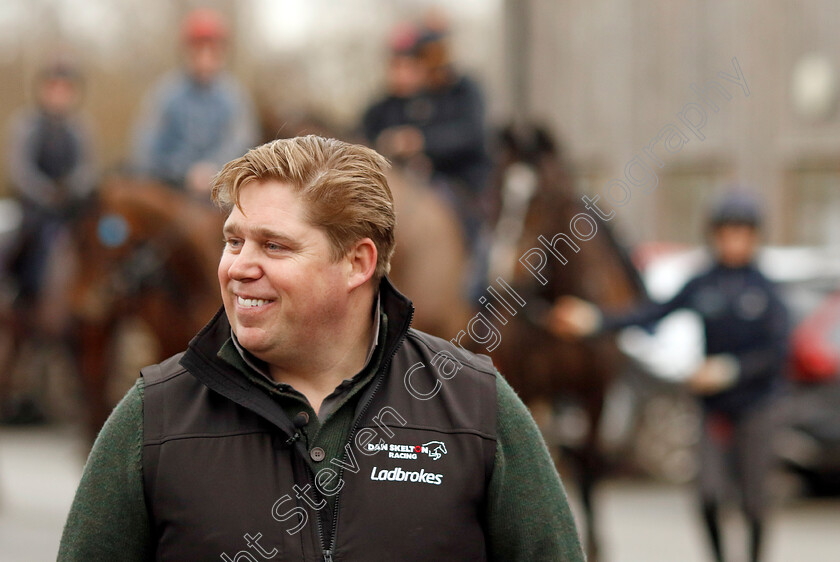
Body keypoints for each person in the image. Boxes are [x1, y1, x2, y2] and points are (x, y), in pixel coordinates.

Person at [58, 136, 584, 561]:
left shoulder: (477, 408)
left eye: (274, 245)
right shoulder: (153, 417)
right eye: (233, 240)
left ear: (357, 263)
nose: (238, 266)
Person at [550, 190, 788, 562]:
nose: (733, 241)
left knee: (754, 500)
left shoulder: (766, 289)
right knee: (708, 495)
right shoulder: (704, 283)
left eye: (741, 232)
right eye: (726, 232)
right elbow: (650, 314)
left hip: (757, 404)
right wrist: (595, 319)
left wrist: (731, 370)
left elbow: (776, 352)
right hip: (713, 405)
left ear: (754, 237)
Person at [131, 8, 258, 195]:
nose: (205, 57)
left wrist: (213, 169)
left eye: (212, 49)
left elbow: (241, 142)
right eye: (199, 49)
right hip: (171, 191)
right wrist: (184, 174)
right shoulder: (166, 95)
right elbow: (145, 148)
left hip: (220, 192)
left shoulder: (234, 97)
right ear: (187, 51)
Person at [6, 59, 96, 306]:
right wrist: (46, 193)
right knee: (23, 239)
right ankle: (19, 292)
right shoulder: (26, 125)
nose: (59, 94)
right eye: (53, 87)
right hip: (36, 208)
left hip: (72, 208)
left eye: (65, 88)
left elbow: (86, 169)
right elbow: (20, 170)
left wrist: (70, 189)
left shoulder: (79, 128)